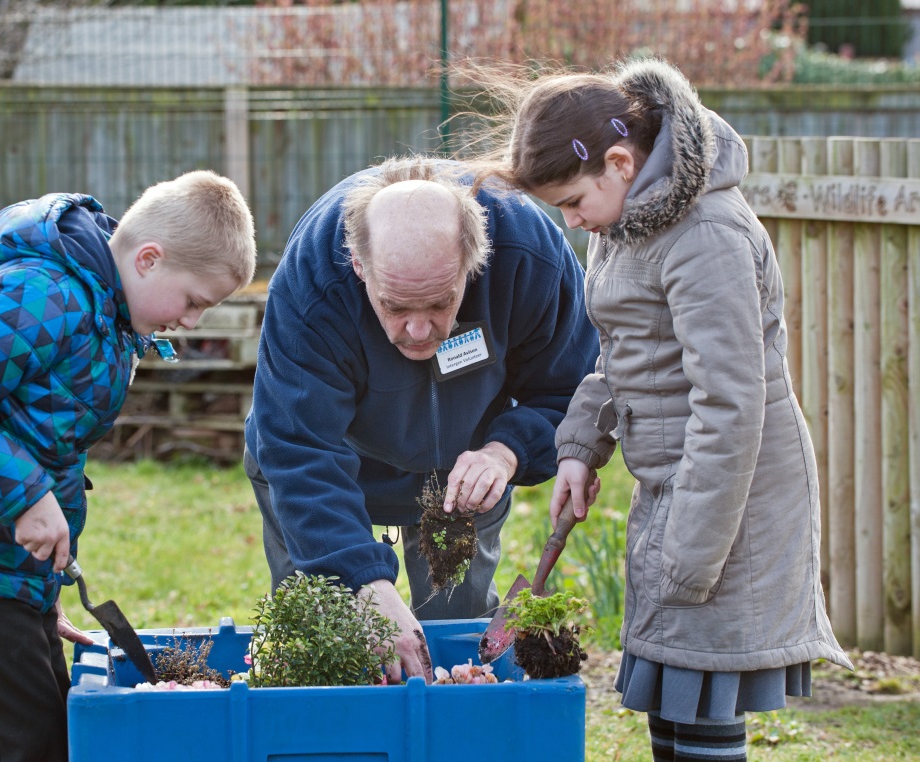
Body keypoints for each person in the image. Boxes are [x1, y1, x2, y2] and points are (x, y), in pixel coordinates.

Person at [475, 57, 852, 760]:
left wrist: (690, 553)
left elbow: (730, 405)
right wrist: (579, 447)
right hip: (674, 488)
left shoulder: (705, 236)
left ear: (621, 163)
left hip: (728, 502)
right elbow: (622, 353)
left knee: (702, 690)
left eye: (572, 201)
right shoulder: (626, 227)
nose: (570, 220)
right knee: (672, 694)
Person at [0, 171, 257, 761]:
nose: (191, 322)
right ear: (148, 259)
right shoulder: (43, 295)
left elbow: (47, 440)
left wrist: (42, 582)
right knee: (20, 746)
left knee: (53, 739)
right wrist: (28, 499)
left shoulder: (107, 316)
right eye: (193, 301)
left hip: (1, 562)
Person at [243, 155, 600, 684]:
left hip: (463, 478)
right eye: (394, 306)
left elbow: (573, 387)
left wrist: (506, 452)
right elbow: (298, 444)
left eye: (439, 304)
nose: (417, 331)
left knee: (455, 650)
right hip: (330, 474)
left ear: (474, 263)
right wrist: (363, 582)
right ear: (358, 266)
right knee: (326, 646)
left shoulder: (528, 257)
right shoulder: (313, 278)